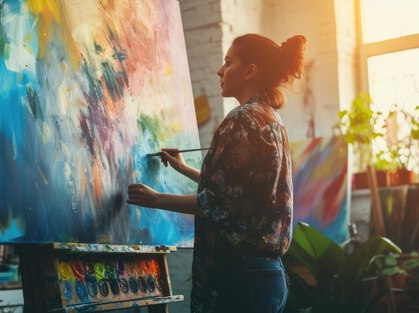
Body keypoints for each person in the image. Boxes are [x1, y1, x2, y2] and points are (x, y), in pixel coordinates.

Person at [128, 33, 306, 313]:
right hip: (265, 276)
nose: (220, 70)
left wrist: (156, 199)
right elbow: (239, 192)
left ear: (250, 71)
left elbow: (219, 203)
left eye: (228, 62)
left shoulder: (242, 118)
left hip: (241, 276)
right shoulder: (270, 118)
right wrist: (184, 168)